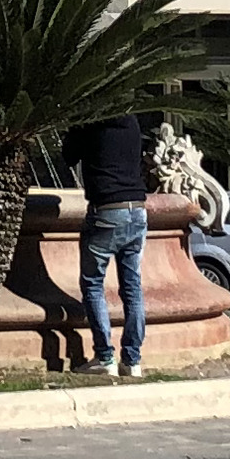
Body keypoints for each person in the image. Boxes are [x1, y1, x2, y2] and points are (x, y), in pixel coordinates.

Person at [69, 110, 153, 379]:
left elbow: (68, 156)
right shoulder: (131, 122)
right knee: (132, 286)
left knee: (93, 283)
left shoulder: (91, 122)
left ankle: (105, 357)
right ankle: (133, 360)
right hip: (137, 209)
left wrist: (74, 124)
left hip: (106, 209)